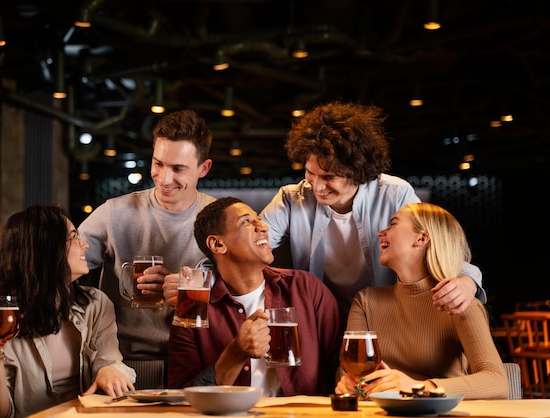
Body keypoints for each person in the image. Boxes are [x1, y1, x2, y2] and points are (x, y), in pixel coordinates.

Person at [260, 100, 486, 318]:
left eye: (329, 177)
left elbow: (436, 248)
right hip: (321, 319)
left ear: (358, 171)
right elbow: (251, 246)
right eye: (310, 173)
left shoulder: (395, 194)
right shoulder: (292, 198)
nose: (317, 186)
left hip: (387, 317)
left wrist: (468, 282)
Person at [77, 109, 215, 389]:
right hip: (123, 368)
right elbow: (59, 265)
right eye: (158, 164)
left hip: (199, 367)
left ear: (204, 168)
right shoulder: (114, 212)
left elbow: (247, 293)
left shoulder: (219, 219)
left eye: (178, 169)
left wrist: (192, 291)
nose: (164, 179)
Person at [0, 205, 137, 418]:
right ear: (46, 249)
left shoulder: (95, 305)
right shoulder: (2, 318)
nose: (85, 245)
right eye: (74, 237)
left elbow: (109, 363)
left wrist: (109, 370)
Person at [168, 197, 343, 396]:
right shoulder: (191, 306)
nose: (263, 227)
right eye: (246, 222)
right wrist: (236, 352)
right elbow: (181, 396)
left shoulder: (305, 287)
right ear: (217, 244)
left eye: (259, 219)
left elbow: (343, 364)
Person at [335, 202, 509, 400]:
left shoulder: (459, 302)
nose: (380, 234)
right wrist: (351, 386)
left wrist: (416, 387)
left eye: (393, 224)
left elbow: (498, 382)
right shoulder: (365, 301)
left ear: (421, 238)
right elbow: (349, 376)